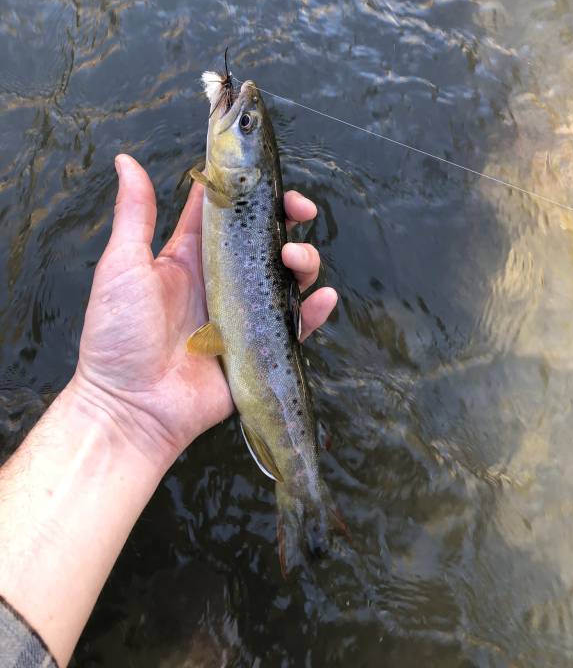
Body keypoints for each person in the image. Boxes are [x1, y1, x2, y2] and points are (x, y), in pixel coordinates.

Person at [0, 155, 338, 668]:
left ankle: (303, 487)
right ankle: (304, 486)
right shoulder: (228, 182)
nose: (235, 112)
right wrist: (113, 402)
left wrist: (112, 409)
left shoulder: (227, 183)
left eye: (245, 124)